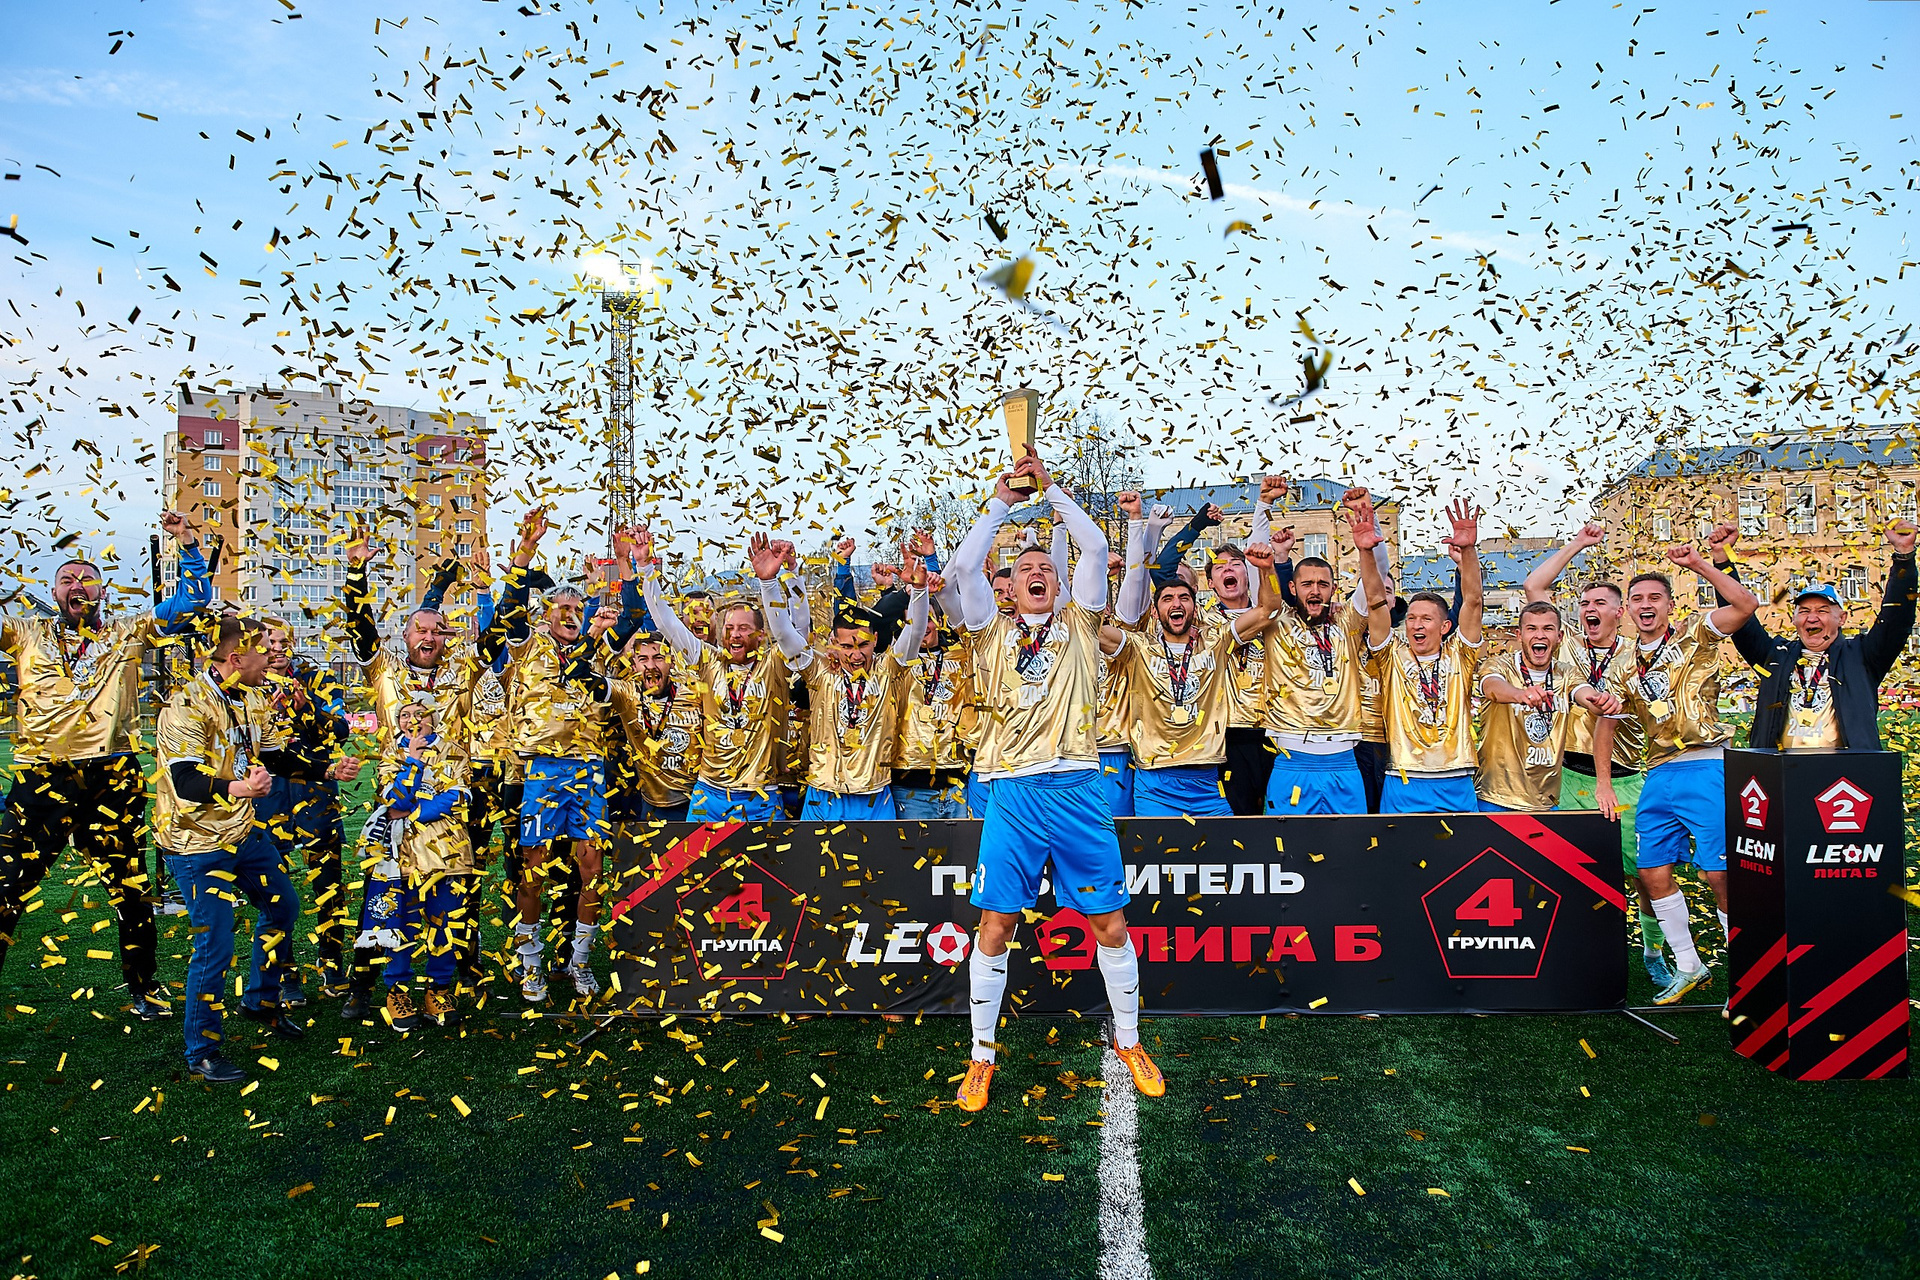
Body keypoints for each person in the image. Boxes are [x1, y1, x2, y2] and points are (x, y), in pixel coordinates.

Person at [947, 453, 1165, 1112]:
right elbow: (962, 569)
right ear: (1009, 589)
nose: (1036, 574)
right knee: (994, 927)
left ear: (1059, 582)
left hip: (1077, 788)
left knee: (1110, 925)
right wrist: (1000, 504)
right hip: (1013, 793)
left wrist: (1052, 490)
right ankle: (981, 1057)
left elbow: (1094, 546)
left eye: (1046, 568)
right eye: (1024, 570)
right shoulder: (988, 630)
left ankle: (1129, 1041)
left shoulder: (1080, 622)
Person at [0, 511, 211, 1022]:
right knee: (5, 888)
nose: (77, 585)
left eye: (87, 578)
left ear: (102, 591)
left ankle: (144, 988)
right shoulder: (24, 632)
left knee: (132, 892)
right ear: (54, 592)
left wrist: (186, 541)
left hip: (112, 775)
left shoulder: (127, 631)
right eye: (66, 579)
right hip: (42, 778)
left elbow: (193, 600)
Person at [338, 514, 520, 1019]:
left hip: (450, 806)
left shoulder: (464, 669)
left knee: (452, 897)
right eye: (420, 629)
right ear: (405, 634)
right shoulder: (384, 670)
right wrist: (356, 572)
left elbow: (494, 640)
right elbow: (360, 630)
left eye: (438, 631)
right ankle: (370, 983)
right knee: (384, 899)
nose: (429, 636)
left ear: (447, 637)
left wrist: (489, 586)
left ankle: (450, 978)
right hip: (397, 806)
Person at [1591, 541, 1759, 1005]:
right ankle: (1689, 965)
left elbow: (1746, 605)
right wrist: (1603, 783)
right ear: (1627, 610)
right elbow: (1605, 724)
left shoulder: (1695, 636)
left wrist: (1700, 564)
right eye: (1637, 599)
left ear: (1669, 604)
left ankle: (1748, 974)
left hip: (1707, 764)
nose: (1646, 605)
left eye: (1655, 597)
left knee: (1718, 875)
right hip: (1659, 772)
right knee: (1651, 871)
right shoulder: (1623, 665)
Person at [152, 616, 302, 1083]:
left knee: (283, 907)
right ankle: (202, 1051)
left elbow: (274, 756)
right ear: (236, 658)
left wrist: (326, 769)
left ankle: (260, 1000)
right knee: (214, 945)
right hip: (196, 843)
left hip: (242, 834)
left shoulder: (252, 696)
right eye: (264, 652)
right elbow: (185, 780)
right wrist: (240, 788)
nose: (273, 658)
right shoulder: (185, 703)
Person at [1524, 522, 1666, 983]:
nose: (1589, 609)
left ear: (1620, 612)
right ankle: (1572, 952)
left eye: (1599, 603)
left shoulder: (1638, 654)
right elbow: (1535, 587)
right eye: (1584, 603)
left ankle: (1654, 952)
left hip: (1624, 779)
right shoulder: (1565, 646)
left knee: (1644, 874)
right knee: (1569, 872)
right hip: (1568, 776)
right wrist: (1579, 543)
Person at [497, 516, 622, 1003]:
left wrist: (625, 570)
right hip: (541, 770)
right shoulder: (527, 646)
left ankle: (579, 961)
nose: (570, 614)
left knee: (592, 869)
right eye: (562, 608)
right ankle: (530, 962)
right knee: (533, 869)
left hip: (589, 769)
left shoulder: (599, 650)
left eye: (577, 607)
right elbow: (508, 608)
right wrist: (524, 555)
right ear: (546, 614)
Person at [761, 534, 930, 820]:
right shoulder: (820, 672)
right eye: (847, 647)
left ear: (875, 640)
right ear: (834, 644)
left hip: (875, 797)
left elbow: (914, 631)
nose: (855, 655)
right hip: (823, 796)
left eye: (863, 645)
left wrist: (919, 589)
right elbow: (785, 634)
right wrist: (770, 583)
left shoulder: (888, 670)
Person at [1710, 520, 1918, 750]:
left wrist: (1904, 556)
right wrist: (1722, 559)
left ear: (1842, 619)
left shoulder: (1862, 657)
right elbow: (1739, 619)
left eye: (1822, 611)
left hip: (1847, 771)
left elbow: (1896, 619)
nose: (1812, 618)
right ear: (1794, 619)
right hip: (1781, 769)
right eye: (1804, 611)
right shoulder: (1775, 656)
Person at [1102, 555, 1276, 817]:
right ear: (1155, 611)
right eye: (1167, 599)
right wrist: (1101, 576)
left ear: (1195, 608)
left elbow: (1268, 610)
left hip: (1209, 785)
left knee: (1227, 845)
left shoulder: (1216, 642)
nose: (1176, 603)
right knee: (1158, 847)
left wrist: (1266, 569)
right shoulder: (1139, 648)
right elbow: (1090, 628)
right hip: (1156, 786)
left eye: (1184, 598)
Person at [638, 527, 792, 822]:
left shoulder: (773, 663)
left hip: (761, 795)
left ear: (760, 635)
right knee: (693, 856)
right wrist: (646, 568)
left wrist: (769, 582)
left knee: (770, 856)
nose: (735, 635)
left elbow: (790, 631)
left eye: (744, 628)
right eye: (729, 628)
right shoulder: (709, 660)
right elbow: (667, 623)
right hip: (709, 795)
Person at [348, 702, 476, 1032]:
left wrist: (416, 811)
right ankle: (398, 993)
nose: (412, 720)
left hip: (449, 853)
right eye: (404, 715)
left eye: (420, 714)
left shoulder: (454, 751)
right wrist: (414, 761)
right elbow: (396, 801)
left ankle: (439, 991)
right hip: (401, 856)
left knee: (444, 924)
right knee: (400, 926)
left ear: (434, 718)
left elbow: (460, 797)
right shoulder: (391, 753)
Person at [257, 618, 363, 1004]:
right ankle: (284, 972)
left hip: (316, 789)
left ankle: (331, 961)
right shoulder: (246, 683)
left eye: (284, 641)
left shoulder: (317, 679)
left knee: (328, 884)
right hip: (269, 793)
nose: (277, 648)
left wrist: (308, 711)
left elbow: (341, 730)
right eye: (269, 642)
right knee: (274, 886)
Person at [1358, 498, 1486, 814]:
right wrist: (1365, 553)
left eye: (1426, 619)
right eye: (1412, 618)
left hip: (1455, 778)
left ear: (1445, 627)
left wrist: (1468, 552)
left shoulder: (1460, 656)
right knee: (1400, 849)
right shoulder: (1391, 655)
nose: (1416, 624)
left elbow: (1473, 601)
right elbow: (1375, 601)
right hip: (1404, 778)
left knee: (1463, 848)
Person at [1253, 512, 1372, 816]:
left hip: (1344, 760)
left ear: (1334, 589)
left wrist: (1366, 549)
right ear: (1293, 589)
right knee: (1285, 844)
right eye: (1306, 584)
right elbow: (1266, 597)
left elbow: (1372, 589)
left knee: (1352, 843)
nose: (1315, 590)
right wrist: (1269, 565)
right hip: (1291, 760)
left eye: (1322, 584)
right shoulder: (1277, 621)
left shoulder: (1347, 622)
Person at [1475, 602, 1620, 812]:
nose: (1540, 635)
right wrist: (1519, 694)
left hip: (1547, 801)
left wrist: (1602, 702)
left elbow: (1586, 695)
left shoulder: (1566, 673)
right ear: (1519, 635)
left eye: (1548, 628)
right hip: (1496, 798)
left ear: (1559, 637)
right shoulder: (1499, 665)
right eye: (1532, 628)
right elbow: (1491, 687)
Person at [891, 575, 978, 820]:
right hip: (910, 789)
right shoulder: (897, 664)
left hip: (957, 784)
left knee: (964, 847)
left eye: (929, 619)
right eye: (914, 621)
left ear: (940, 621)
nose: (923, 626)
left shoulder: (962, 658)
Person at [605, 631, 705, 823]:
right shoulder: (627, 695)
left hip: (696, 802)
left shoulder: (696, 691)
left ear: (672, 662)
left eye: (658, 658)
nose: (651, 666)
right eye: (643, 659)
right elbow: (583, 678)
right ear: (634, 666)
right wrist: (601, 633)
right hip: (651, 804)